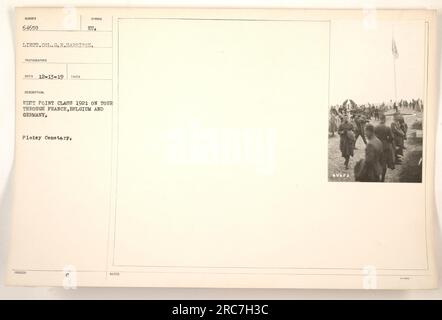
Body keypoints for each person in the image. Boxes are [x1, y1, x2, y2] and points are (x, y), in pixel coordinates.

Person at [374, 114, 395, 181]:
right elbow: (392, 138)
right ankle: (382, 178)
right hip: (385, 147)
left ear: (380, 119)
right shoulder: (387, 128)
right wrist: (388, 141)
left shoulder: (376, 127)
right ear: (385, 119)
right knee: (384, 163)